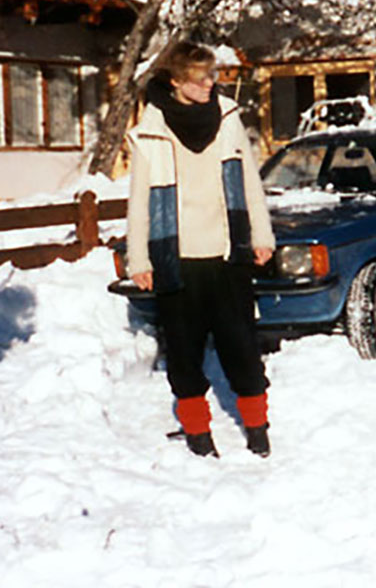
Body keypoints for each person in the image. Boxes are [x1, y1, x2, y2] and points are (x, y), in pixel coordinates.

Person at [126, 42, 276, 458]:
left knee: (242, 347)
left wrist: (261, 236)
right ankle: (197, 433)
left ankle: (258, 427)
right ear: (176, 82)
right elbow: (139, 200)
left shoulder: (228, 117)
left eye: (213, 75)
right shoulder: (151, 128)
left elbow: (249, 183)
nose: (211, 83)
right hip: (176, 260)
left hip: (228, 255)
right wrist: (139, 258)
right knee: (185, 355)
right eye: (200, 77)